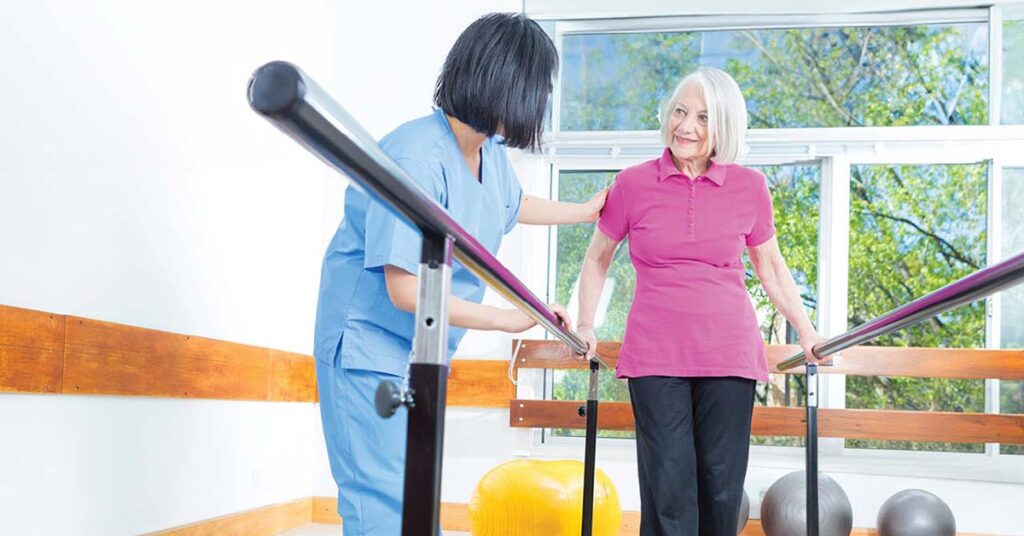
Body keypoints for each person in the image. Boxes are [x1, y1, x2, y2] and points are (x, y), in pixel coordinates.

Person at [313, 13, 607, 536]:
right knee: (381, 503)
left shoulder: (486, 154)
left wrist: (584, 211)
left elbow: (511, 206)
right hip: (366, 346)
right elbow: (405, 290)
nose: (540, 104)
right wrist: (506, 318)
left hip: (421, 352)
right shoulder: (417, 155)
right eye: (539, 89)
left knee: (415, 496)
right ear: (508, 83)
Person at [575, 67, 828, 536]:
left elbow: (770, 268)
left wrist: (808, 332)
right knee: (669, 488)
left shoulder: (750, 187)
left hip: (729, 355)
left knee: (720, 487)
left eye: (703, 118)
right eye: (680, 111)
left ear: (723, 128)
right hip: (655, 356)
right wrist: (587, 324)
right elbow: (597, 259)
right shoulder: (631, 184)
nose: (686, 126)